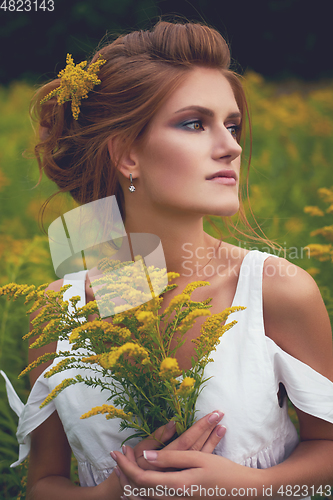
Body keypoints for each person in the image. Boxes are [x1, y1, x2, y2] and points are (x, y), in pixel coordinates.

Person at [3, 19, 333, 500]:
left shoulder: (275, 288)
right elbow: (43, 485)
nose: (231, 146)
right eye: (195, 123)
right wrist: (116, 492)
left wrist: (250, 486)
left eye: (232, 124)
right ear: (127, 155)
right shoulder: (60, 313)